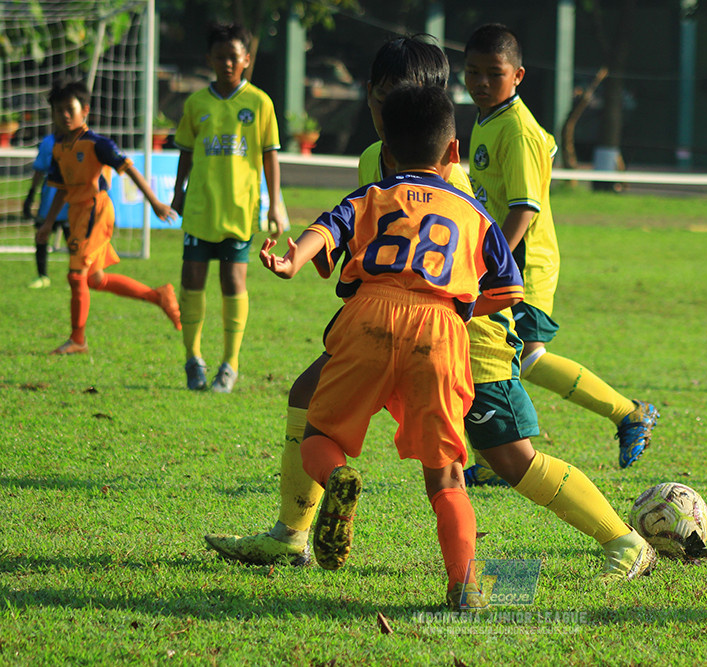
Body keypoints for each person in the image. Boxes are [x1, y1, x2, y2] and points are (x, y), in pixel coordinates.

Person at [204, 36, 658, 586]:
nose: (392, 111)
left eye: (405, 99)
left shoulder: (449, 178)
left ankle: (623, 538)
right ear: (372, 96)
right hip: (397, 325)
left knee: (513, 461)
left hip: (471, 339)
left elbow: (474, 265)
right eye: (384, 98)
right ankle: (293, 535)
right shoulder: (377, 157)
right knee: (307, 394)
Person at [259, 84, 524, 609]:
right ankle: (465, 585)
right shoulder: (473, 213)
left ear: (387, 152)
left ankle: (337, 477)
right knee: (446, 473)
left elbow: (325, 227)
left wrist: (293, 260)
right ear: (453, 153)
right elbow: (509, 289)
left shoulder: (372, 195)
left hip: (369, 317)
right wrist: (458, 307)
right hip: (442, 330)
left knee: (318, 433)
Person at [463, 23, 659, 471]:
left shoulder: (517, 130)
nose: (481, 83)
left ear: (518, 76)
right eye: (473, 72)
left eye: (493, 73)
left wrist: (492, 263)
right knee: (487, 355)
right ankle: (495, 461)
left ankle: (630, 413)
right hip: (505, 260)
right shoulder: (488, 119)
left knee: (526, 359)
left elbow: (524, 209)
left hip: (524, 263)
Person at [171, 21, 284, 393]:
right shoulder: (196, 103)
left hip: (239, 209)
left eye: (234, 57)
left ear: (247, 59)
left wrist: (275, 204)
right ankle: (193, 359)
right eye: (220, 57)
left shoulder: (259, 103)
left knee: (232, 281)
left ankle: (230, 364)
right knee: (191, 280)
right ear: (210, 59)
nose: (227, 64)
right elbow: (185, 153)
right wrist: (177, 192)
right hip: (201, 207)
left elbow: (270, 157)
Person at [35, 79, 180, 356]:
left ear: (85, 110)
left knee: (76, 276)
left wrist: (155, 203)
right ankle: (159, 296)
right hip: (78, 213)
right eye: (58, 110)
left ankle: (78, 340)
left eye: (70, 109)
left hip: (96, 211)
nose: (64, 115)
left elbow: (130, 169)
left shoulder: (98, 144)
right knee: (94, 279)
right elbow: (62, 190)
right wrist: (48, 223)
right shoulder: (58, 148)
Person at [23, 130, 70, 289]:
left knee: (74, 241)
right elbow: (39, 170)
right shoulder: (48, 142)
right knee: (41, 235)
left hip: (72, 201)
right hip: (49, 198)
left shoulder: (84, 141)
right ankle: (42, 276)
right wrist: (31, 194)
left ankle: (77, 276)